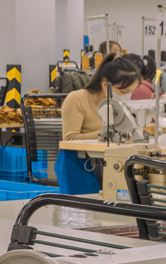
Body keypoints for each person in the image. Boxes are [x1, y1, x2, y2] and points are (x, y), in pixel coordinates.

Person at [58, 55, 143, 194]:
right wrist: (109, 133)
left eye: (131, 92)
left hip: (110, 162)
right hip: (78, 165)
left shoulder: (118, 105)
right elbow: (69, 139)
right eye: (123, 91)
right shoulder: (77, 99)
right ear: (105, 85)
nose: (128, 96)